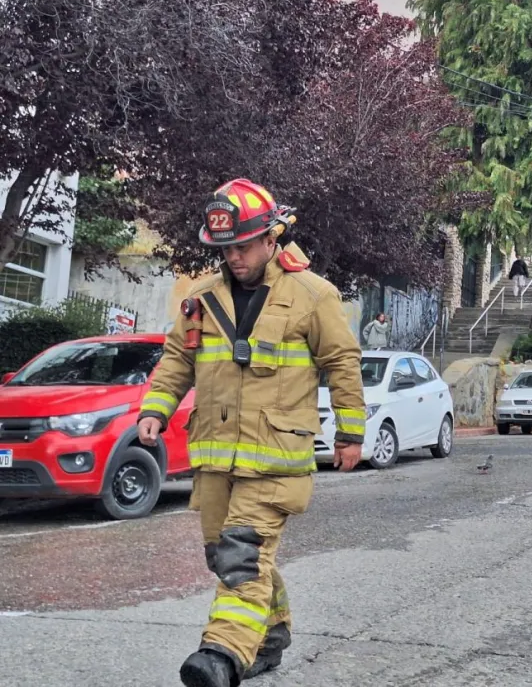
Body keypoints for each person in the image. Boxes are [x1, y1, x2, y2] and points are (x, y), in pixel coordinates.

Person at [136, 178, 367, 687]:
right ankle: (270, 635)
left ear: (270, 237)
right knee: (229, 556)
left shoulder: (313, 295)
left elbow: (342, 363)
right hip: (216, 458)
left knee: (241, 557)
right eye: (225, 248)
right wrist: (155, 410)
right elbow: (177, 361)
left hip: (275, 458)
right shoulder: (201, 298)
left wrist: (351, 433)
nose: (234, 256)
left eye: (242, 245)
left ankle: (221, 655)